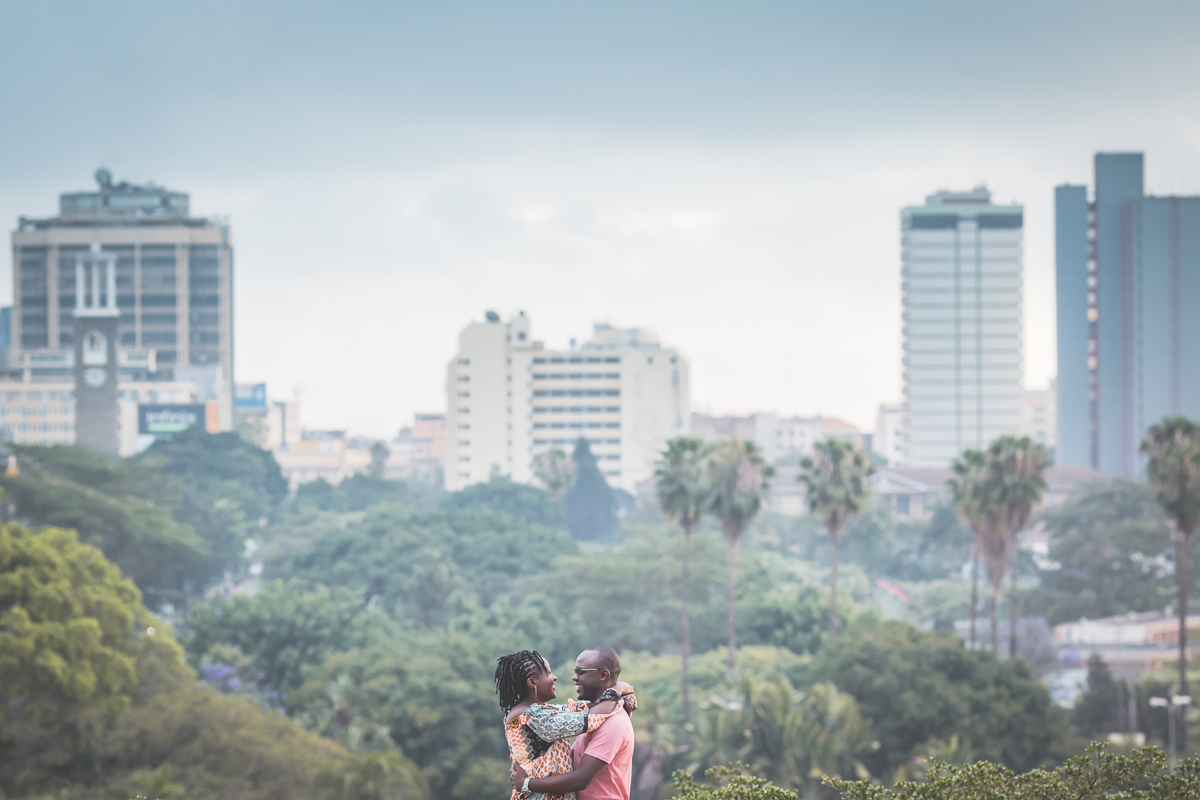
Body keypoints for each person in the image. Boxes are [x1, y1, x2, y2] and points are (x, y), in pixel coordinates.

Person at [496, 649, 636, 800]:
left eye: (580, 672)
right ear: (532, 683)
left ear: (603, 675)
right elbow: (590, 716)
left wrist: (625, 694)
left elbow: (581, 710)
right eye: (549, 673)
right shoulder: (532, 717)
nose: (555, 678)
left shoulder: (545, 712)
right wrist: (619, 689)